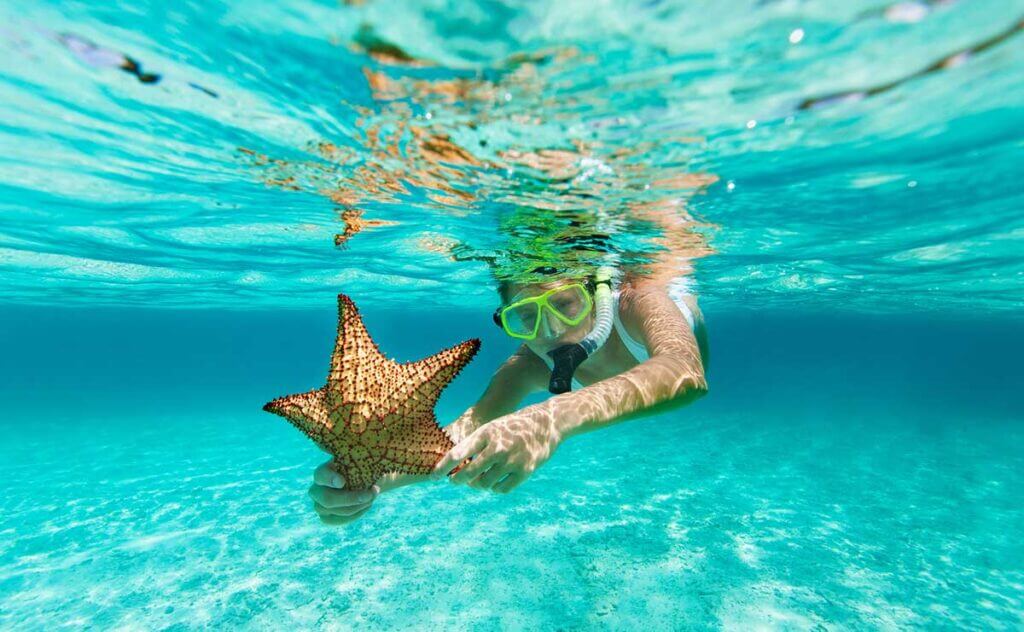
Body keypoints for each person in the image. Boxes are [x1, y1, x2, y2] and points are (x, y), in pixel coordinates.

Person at [307, 265, 710, 525]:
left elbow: (685, 371)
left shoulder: (638, 302)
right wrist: (367, 481)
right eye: (526, 315)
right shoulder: (532, 363)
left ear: (598, 294)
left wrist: (548, 420)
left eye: (566, 304)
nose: (550, 330)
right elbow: (465, 429)